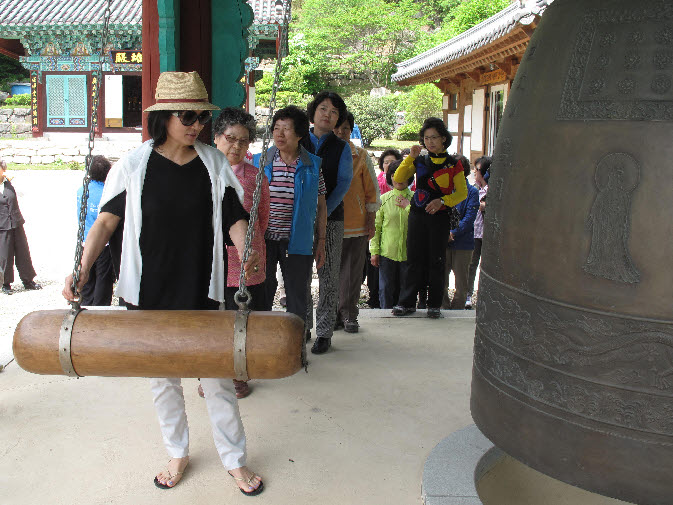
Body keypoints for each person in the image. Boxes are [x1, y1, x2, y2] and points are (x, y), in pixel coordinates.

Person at [63, 71, 264, 495]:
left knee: (217, 380)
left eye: (201, 117)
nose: (196, 125)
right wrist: (81, 269)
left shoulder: (213, 164)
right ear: (164, 117)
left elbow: (234, 217)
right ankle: (177, 452)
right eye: (187, 116)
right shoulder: (133, 166)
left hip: (201, 286)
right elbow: (105, 222)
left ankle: (234, 459)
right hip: (148, 290)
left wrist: (247, 250)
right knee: (163, 382)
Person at [254, 105, 327, 339]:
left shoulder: (312, 165)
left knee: (297, 296)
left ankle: (296, 343)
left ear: (299, 135)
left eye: (286, 129)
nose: (279, 134)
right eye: (276, 128)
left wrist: (321, 240)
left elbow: (321, 206)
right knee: (263, 291)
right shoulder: (260, 161)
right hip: (264, 241)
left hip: (298, 242)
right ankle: (261, 340)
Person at [214, 107, 270, 399]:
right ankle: (213, 373)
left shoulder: (255, 177)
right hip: (212, 257)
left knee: (242, 317)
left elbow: (263, 217)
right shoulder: (204, 171)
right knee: (213, 318)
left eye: (244, 141)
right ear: (216, 137)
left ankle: (238, 374)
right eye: (230, 138)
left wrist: (251, 246)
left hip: (245, 259)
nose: (236, 146)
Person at [392, 117, 467, 319]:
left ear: (444, 139)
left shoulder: (454, 164)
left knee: (437, 260)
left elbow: (462, 193)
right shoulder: (419, 160)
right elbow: (398, 178)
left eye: (434, 137)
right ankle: (406, 303)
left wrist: (442, 201)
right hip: (417, 214)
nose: (430, 142)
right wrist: (410, 157)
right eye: (426, 138)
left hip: (440, 217)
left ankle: (434, 304)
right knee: (413, 258)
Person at [305, 91, 353, 354]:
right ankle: (302, 326)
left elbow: (343, 183)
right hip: (299, 220)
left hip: (332, 218)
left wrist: (322, 214)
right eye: (323, 108)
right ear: (313, 112)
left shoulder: (341, 147)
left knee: (329, 276)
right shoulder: (299, 139)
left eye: (334, 112)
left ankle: (324, 332)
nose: (328, 114)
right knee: (300, 274)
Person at [333, 111, 380, 333]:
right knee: (330, 273)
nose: (341, 132)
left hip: (356, 225)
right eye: (337, 127)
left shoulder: (360, 156)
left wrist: (370, 220)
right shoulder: (321, 153)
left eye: (345, 128)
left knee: (352, 273)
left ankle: (349, 315)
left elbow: (372, 191)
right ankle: (332, 314)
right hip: (327, 223)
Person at [370, 161, 414, 309]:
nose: (399, 179)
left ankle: (405, 314)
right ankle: (385, 315)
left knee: (406, 288)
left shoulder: (415, 199)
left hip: (409, 253)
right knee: (386, 289)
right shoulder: (384, 199)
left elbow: (420, 224)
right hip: (387, 252)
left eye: (403, 175)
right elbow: (376, 227)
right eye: (394, 175)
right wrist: (374, 251)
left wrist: (408, 207)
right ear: (390, 177)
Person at [77, 155, 116, 306]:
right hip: (103, 245)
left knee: (88, 280)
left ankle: (86, 305)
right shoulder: (107, 193)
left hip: (85, 241)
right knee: (103, 280)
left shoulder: (82, 190)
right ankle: (101, 308)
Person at [442, 155, 479, 310]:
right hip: (443, 241)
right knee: (441, 279)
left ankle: (458, 309)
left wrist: (453, 233)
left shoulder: (472, 192)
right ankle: (443, 307)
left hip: (463, 243)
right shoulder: (444, 190)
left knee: (461, 281)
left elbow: (469, 218)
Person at [0, 158, 41, 294]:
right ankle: (5, 283)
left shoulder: (9, 183)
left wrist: (11, 181)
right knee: (4, 255)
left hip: (16, 222)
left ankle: (28, 280)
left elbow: (22, 194)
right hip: (2, 225)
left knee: (23, 253)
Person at [466, 156, 490, 309]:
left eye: (478, 169)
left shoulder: (493, 190)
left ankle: (484, 296)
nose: (475, 172)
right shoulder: (475, 189)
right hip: (475, 232)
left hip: (487, 234)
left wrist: (485, 206)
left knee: (486, 267)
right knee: (471, 265)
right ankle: (468, 295)